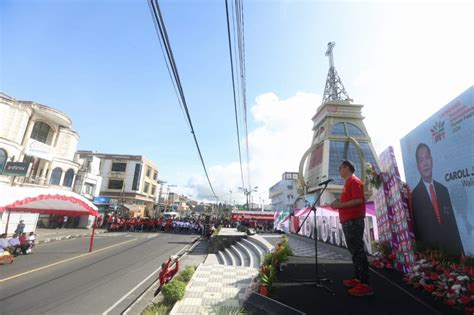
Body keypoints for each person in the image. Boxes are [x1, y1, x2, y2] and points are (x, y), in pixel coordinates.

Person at [411, 143, 464, 255]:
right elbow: (417, 233)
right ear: (417, 166)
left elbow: (453, 225)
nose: (425, 163)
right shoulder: (414, 196)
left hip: (452, 254)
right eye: (421, 160)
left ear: (432, 160)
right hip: (432, 259)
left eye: (427, 158)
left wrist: (461, 254)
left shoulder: (443, 190)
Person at [331, 160, 373, 297]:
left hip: (353, 221)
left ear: (347, 168)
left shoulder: (354, 181)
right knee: (354, 251)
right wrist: (339, 204)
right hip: (349, 221)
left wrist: (339, 205)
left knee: (358, 251)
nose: (339, 170)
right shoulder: (348, 183)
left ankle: (365, 284)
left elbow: (359, 200)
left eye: (340, 168)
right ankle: (357, 279)